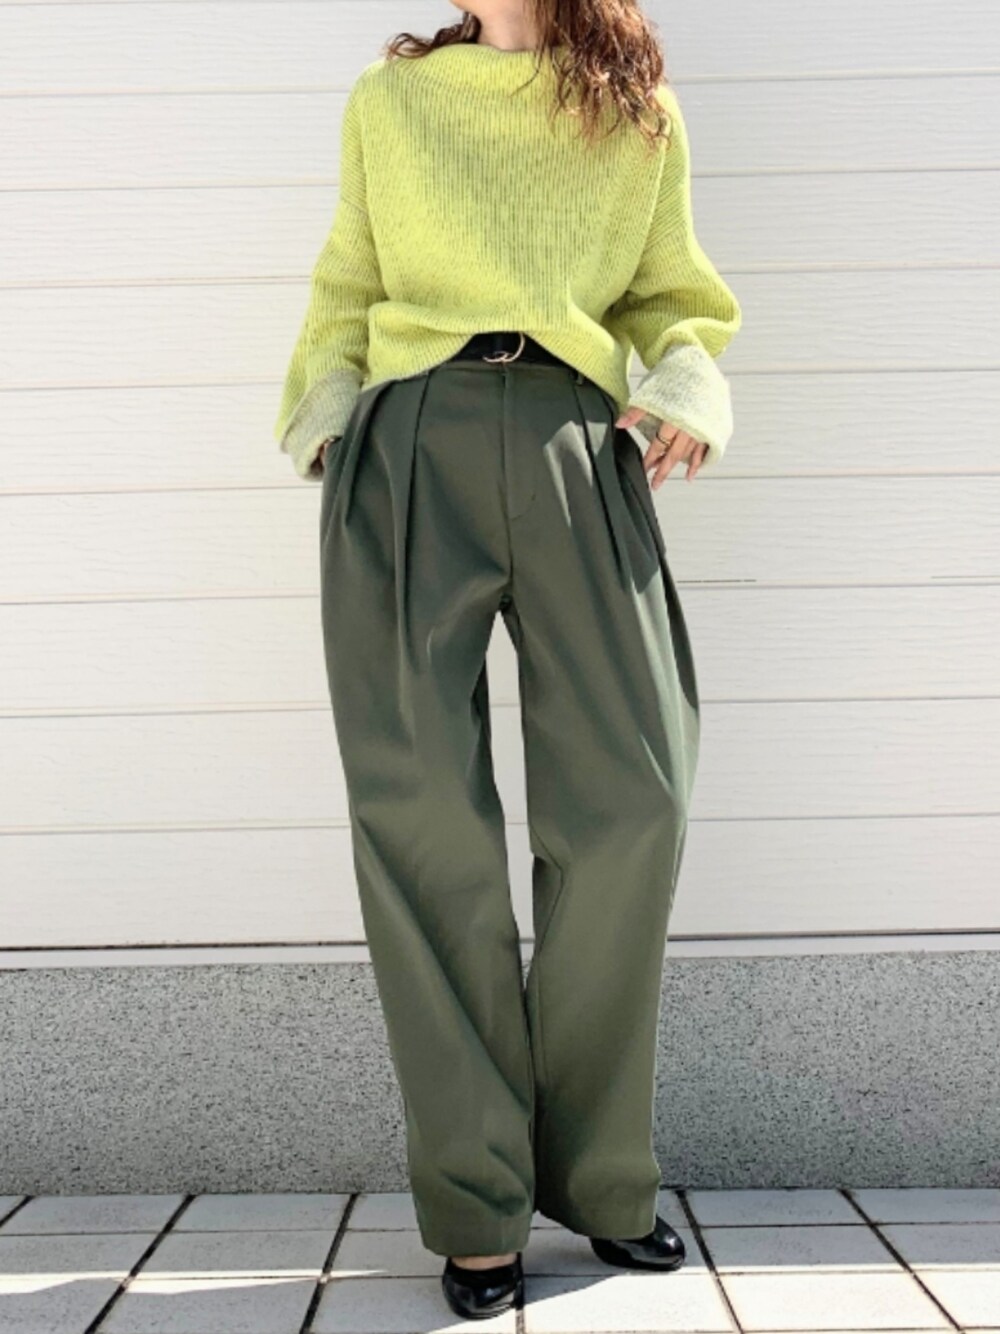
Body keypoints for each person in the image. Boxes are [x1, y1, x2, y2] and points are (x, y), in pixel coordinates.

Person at [273, 0, 741, 1318]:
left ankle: (601, 1176)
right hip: (406, 446)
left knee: (636, 795)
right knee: (422, 814)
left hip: (577, 443)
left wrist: (684, 389)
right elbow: (348, 282)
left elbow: (672, 296)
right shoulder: (393, 101)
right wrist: (328, 421)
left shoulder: (636, 112)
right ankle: (477, 1199)